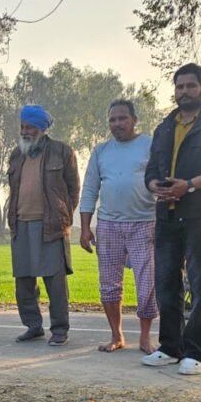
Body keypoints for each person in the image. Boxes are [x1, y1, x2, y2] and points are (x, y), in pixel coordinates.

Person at [142, 63, 201, 375]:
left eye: (191, 86)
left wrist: (189, 185)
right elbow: (152, 169)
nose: (185, 92)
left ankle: (197, 352)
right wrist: (155, 185)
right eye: (180, 87)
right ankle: (170, 347)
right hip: (167, 214)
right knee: (166, 282)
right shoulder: (166, 126)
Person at [79, 100, 158, 354]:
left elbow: (162, 178)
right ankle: (116, 335)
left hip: (145, 223)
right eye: (112, 120)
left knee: (147, 284)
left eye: (122, 118)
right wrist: (85, 227)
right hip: (108, 225)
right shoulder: (101, 151)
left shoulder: (150, 145)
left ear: (134, 120)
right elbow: (90, 189)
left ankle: (145, 337)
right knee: (109, 285)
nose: (117, 124)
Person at [7, 105, 80, 346]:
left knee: (55, 281)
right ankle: (33, 326)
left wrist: (63, 217)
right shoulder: (16, 155)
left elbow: (73, 190)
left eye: (30, 127)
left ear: (42, 129)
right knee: (24, 281)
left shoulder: (62, 151)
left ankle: (59, 329)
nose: (25, 132)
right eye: (22, 127)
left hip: (51, 226)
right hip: (21, 224)